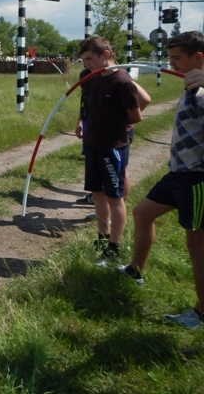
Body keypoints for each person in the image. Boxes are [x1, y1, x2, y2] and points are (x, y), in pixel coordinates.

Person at [119, 31, 204, 328]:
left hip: (197, 178)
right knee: (143, 213)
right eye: (170, 59)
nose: (173, 64)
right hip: (178, 173)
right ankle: (135, 270)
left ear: (199, 57)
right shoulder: (192, 85)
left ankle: (200, 314)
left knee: (197, 245)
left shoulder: (202, 88)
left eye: (177, 59)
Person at [76, 36, 142, 264]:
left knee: (115, 195)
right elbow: (86, 104)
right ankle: (102, 237)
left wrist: (115, 124)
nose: (86, 64)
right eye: (83, 60)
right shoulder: (91, 77)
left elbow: (136, 115)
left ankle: (115, 246)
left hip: (112, 146)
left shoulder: (121, 81)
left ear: (105, 54)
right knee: (97, 193)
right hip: (92, 143)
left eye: (89, 59)